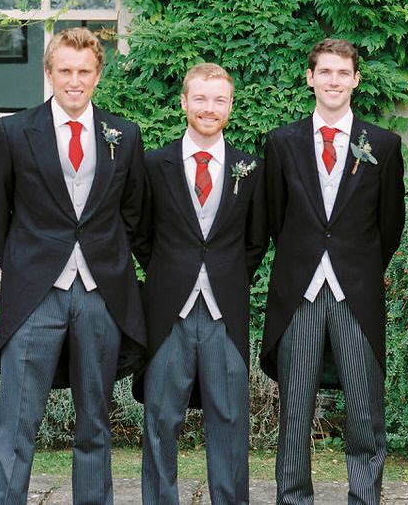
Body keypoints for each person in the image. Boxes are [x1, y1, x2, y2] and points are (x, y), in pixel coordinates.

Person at [0, 27, 147, 505]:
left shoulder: (124, 135)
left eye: (85, 72)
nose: (75, 81)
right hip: (35, 295)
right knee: (16, 419)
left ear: (98, 75)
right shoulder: (14, 132)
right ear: (49, 72)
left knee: (95, 421)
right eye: (66, 71)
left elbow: (133, 214)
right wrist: (24, 266)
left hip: (100, 295)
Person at [261, 38, 405, 504]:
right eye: (325, 72)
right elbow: (275, 217)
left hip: (356, 293)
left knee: (364, 410)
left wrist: (357, 267)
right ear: (310, 77)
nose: (334, 81)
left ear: (356, 79)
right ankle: (294, 498)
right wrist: (307, 260)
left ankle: (364, 498)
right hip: (299, 292)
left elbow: (390, 224)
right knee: (296, 410)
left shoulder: (381, 144)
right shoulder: (282, 142)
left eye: (343, 73)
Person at [134, 63, 268, 505]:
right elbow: (140, 233)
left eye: (219, 100)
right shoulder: (155, 165)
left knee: (230, 421)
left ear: (230, 106)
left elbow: (255, 239)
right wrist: (173, 273)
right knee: (160, 420)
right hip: (167, 311)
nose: (209, 108)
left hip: (223, 313)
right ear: (184, 102)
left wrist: (225, 277)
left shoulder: (250, 168)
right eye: (201, 99)